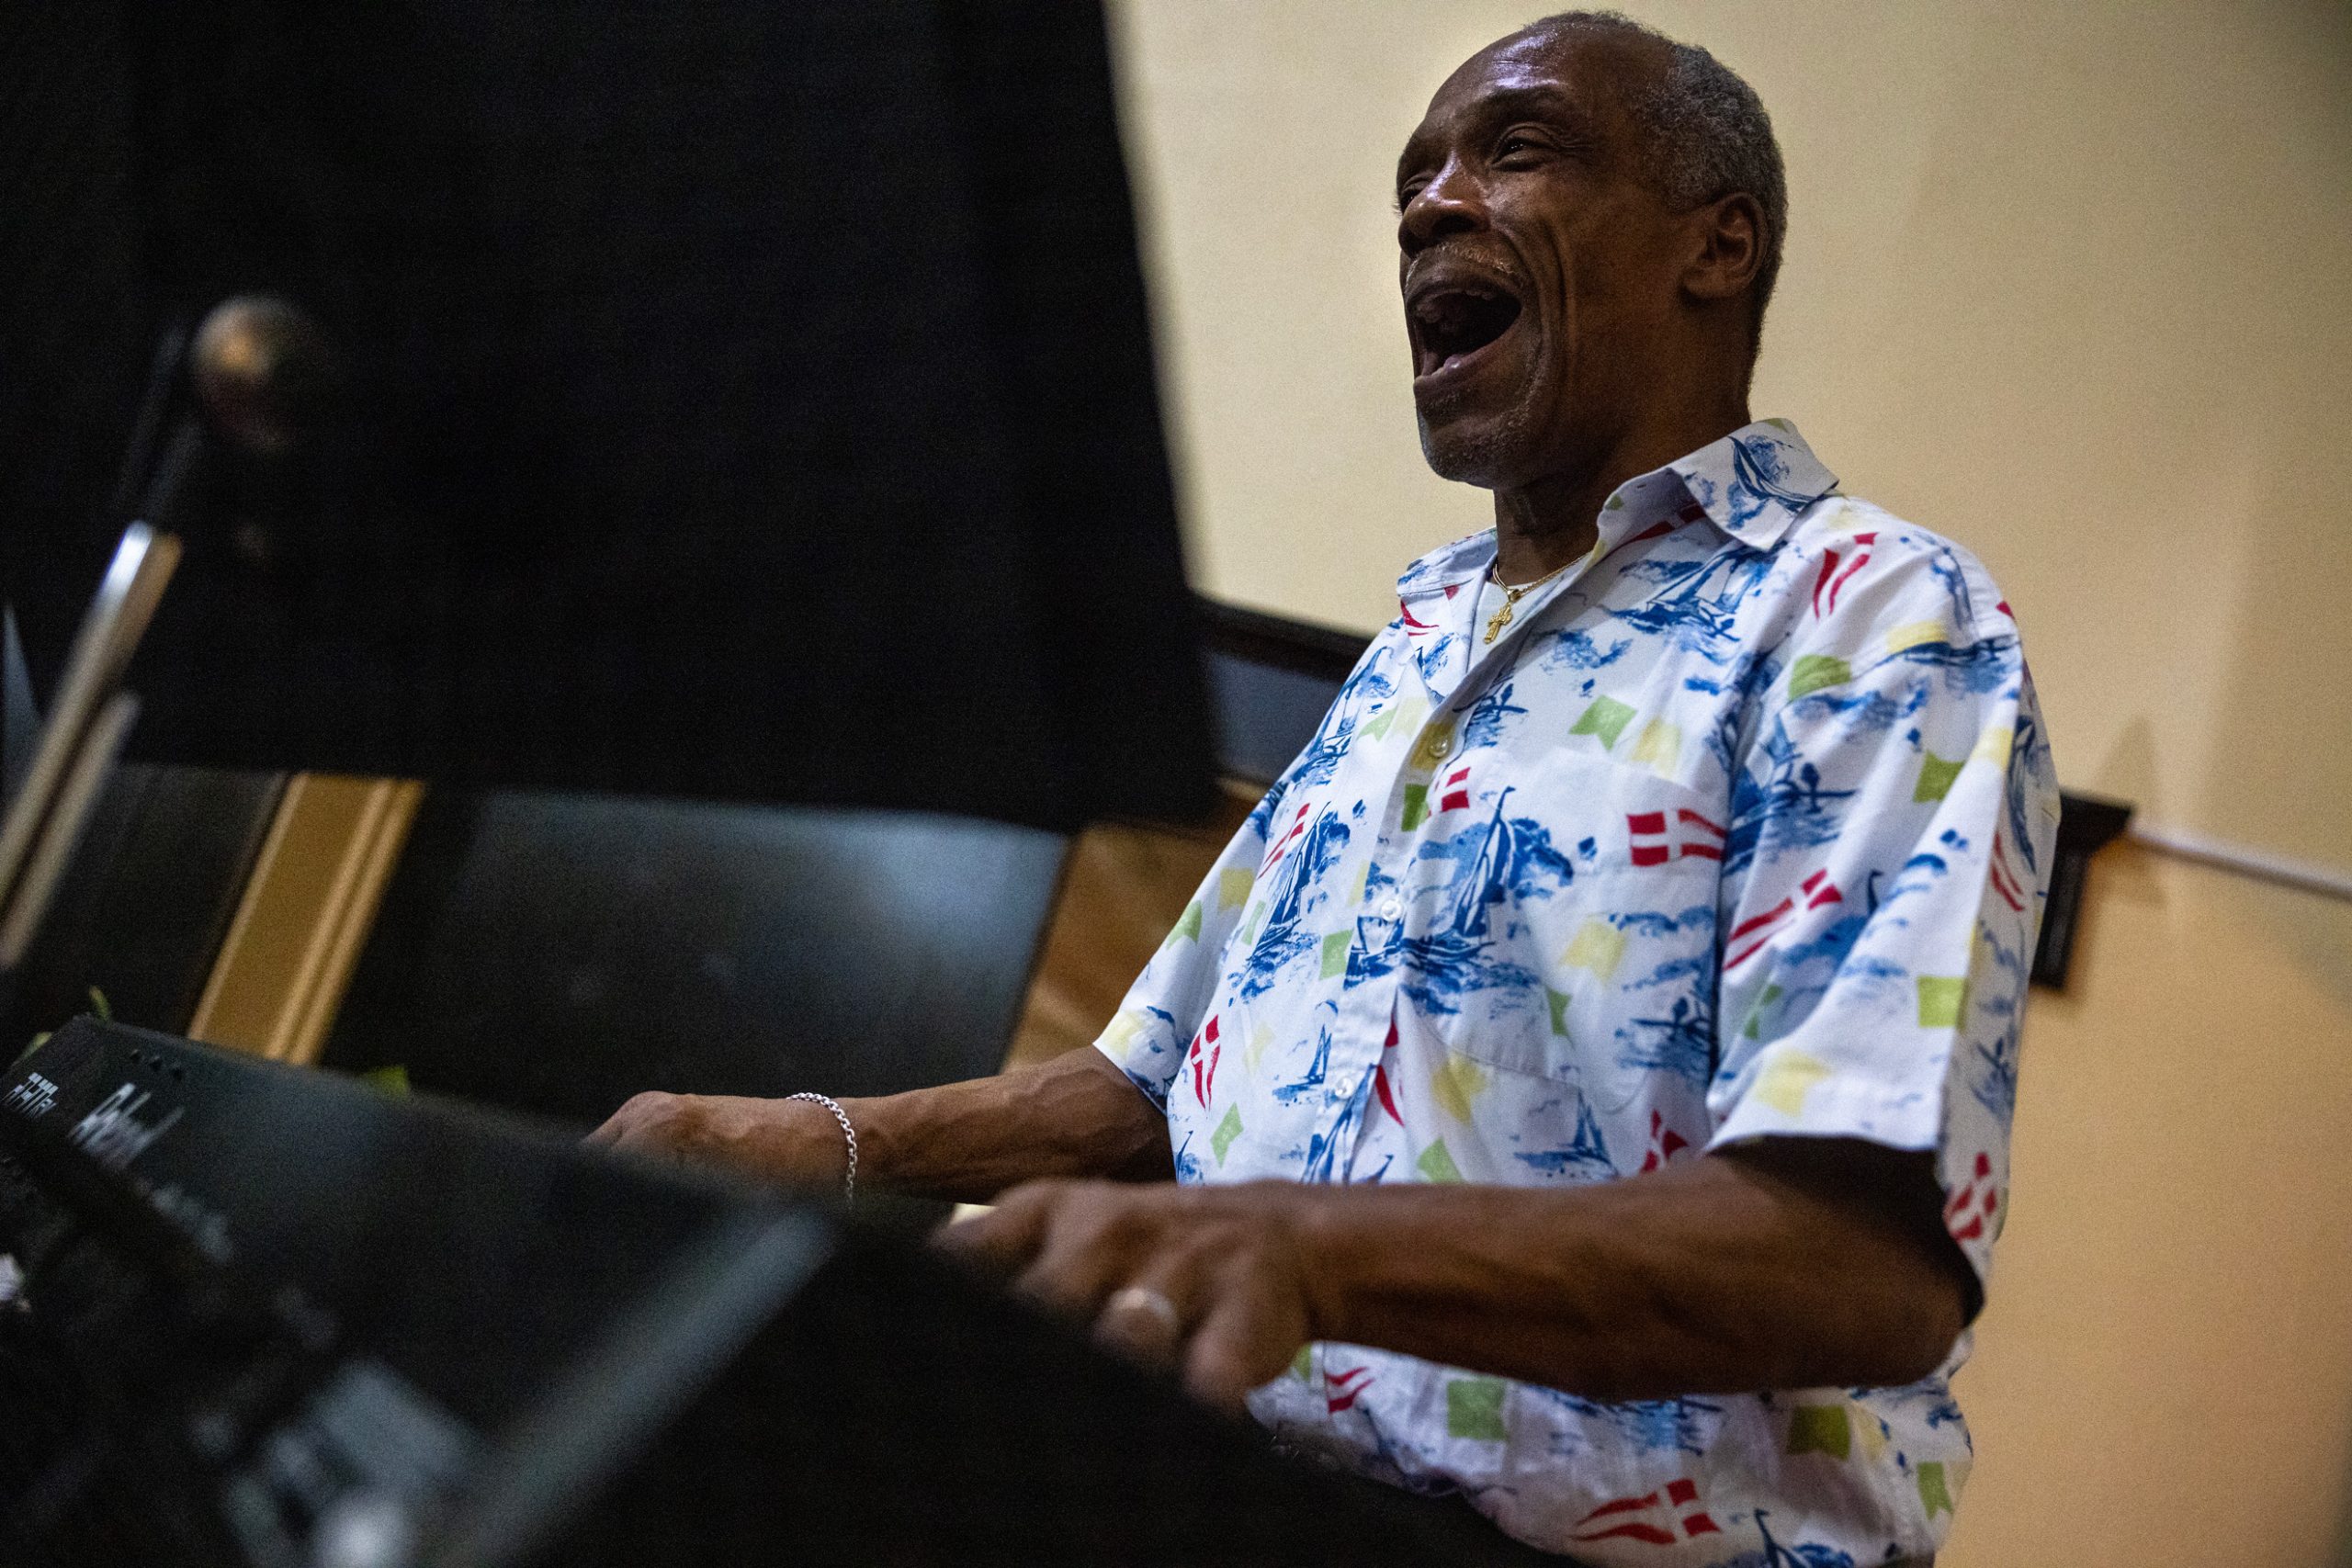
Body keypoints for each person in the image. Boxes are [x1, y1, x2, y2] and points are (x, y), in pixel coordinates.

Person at [590, 11, 2058, 1563]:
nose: (1431, 203)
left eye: (1516, 148)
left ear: (1719, 243)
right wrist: (819, 1144)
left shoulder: (1874, 617)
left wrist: (1297, 1246)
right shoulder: (1421, 643)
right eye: (1414, 176)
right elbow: (1155, 1093)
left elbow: (1859, 1261)